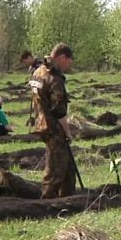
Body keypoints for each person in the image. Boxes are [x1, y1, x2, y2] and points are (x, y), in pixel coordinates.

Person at [29, 43, 75, 199]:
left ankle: (69, 199)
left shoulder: (38, 71)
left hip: (41, 122)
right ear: (61, 57)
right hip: (53, 127)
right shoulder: (54, 77)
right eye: (68, 62)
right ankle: (47, 202)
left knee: (67, 166)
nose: (68, 65)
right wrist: (67, 131)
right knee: (55, 169)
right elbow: (59, 110)